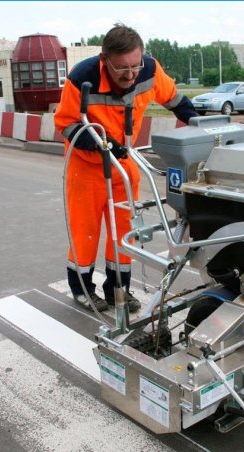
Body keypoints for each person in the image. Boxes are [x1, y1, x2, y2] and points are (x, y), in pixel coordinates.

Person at [55, 23, 197, 313]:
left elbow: (175, 100)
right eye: (121, 68)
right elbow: (66, 124)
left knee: (123, 230)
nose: (130, 74)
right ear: (104, 60)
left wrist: (198, 122)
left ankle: (118, 289)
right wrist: (97, 143)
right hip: (86, 166)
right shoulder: (83, 77)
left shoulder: (150, 70)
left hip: (123, 163)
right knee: (86, 232)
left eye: (135, 65)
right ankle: (82, 289)